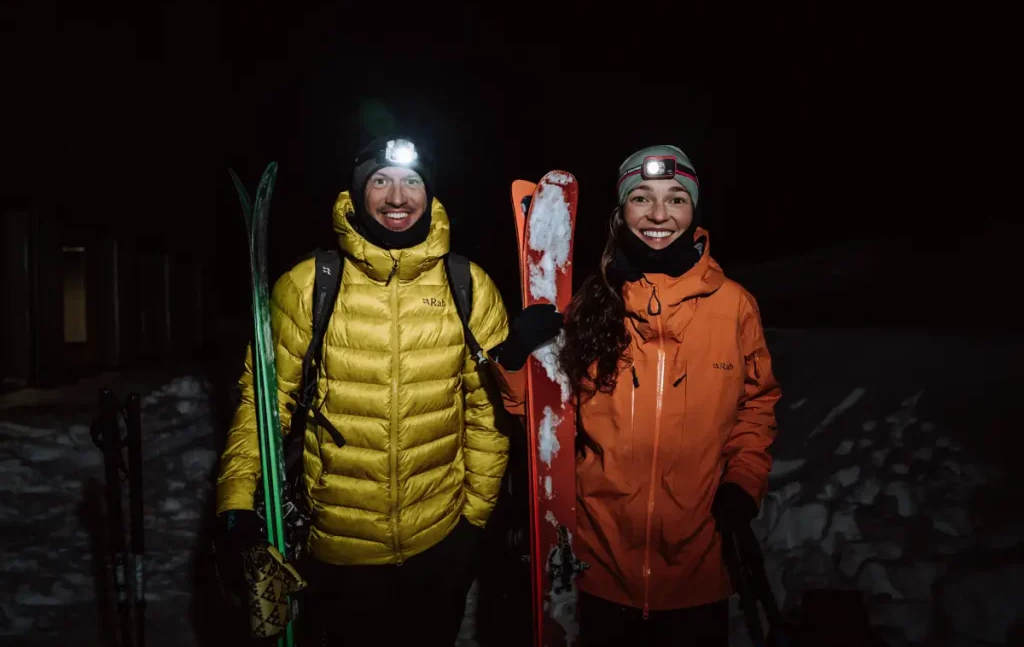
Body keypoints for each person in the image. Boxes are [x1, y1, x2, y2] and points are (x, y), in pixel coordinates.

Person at [213, 135, 563, 645]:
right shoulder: (310, 285)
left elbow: (486, 413)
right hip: (338, 553)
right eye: (380, 181)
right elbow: (262, 405)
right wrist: (235, 506)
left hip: (439, 545)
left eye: (411, 182)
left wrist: (472, 523)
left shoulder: (467, 285)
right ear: (357, 193)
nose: (397, 197)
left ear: (429, 193)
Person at [557, 144, 781, 645]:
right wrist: (515, 359)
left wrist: (743, 483)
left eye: (676, 199)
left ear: (693, 211)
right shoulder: (591, 303)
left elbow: (757, 405)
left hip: (699, 564)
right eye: (642, 198)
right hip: (602, 563)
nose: (659, 215)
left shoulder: (734, 306)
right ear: (621, 212)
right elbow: (546, 414)